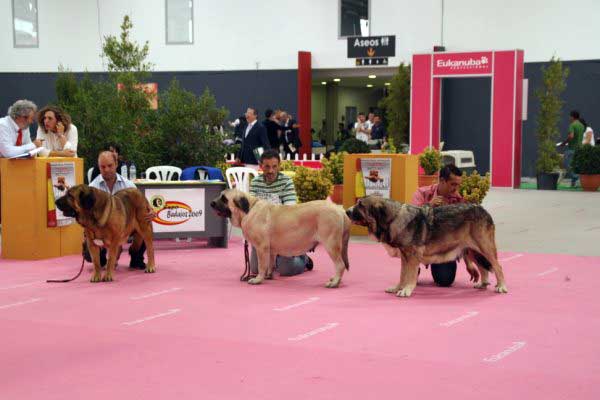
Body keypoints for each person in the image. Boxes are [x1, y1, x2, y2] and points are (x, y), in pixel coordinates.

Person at [248, 149, 313, 276]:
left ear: (279, 166)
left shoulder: (286, 182)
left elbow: (289, 211)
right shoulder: (255, 182)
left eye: (274, 166)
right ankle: (275, 259)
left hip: (283, 232)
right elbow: (252, 211)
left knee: (286, 270)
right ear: (261, 166)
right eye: (267, 167)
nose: (271, 170)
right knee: (256, 270)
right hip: (262, 232)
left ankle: (303, 258)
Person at [85, 150, 152, 269]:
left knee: (145, 221)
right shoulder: (92, 188)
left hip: (127, 225)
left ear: (116, 164)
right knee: (88, 249)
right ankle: (105, 257)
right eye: (102, 167)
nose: (106, 169)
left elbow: (142, 203)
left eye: (110, 166)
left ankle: (136, 256)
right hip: (103, 229)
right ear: (99, 167)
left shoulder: (129, 185)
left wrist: (150, 210)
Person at [411, 164, 467, 286]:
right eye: (453, 184)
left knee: (445, 280)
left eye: (458, 185)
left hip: (443, 247)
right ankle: (413, 265)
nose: (456, 189)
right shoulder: (421, 193)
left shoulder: (459, 199)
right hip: (420, 244)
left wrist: (469, 262)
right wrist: (429, 206)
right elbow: (412, 219)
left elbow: (463, 232)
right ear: (442, 180)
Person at [562, 110, 585, 187]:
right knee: (576, 165)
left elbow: (571, 136)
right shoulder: (582, 125)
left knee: (565, 162)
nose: (569, 118)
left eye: (570, 116)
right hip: (580, 148)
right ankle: (574, 183)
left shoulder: (572, 125)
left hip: (572, 148)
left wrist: (565, 142)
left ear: (572, 117)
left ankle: (576, 177)